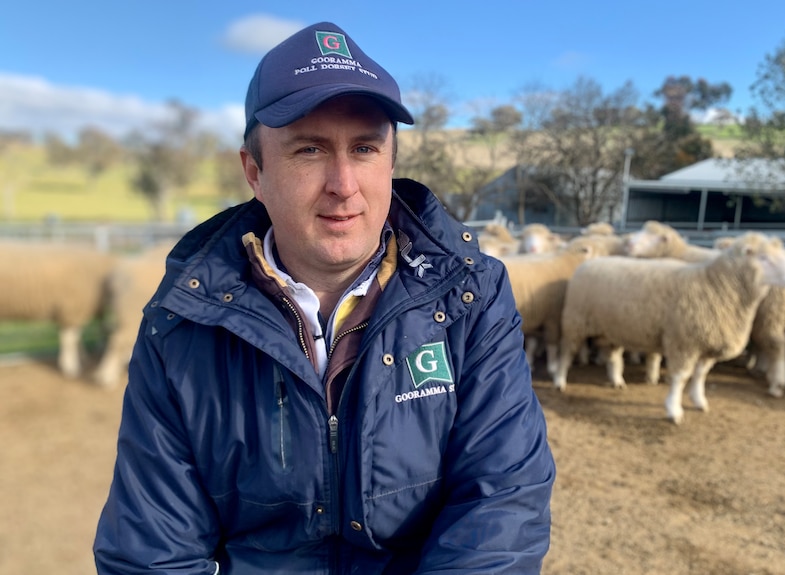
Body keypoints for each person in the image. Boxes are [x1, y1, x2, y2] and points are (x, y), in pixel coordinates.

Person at [93, 21, 555, 575]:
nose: (343, 183)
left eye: (364, 148)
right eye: (309, 150)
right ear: (255, 172)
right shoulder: (182, 325)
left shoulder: (469, 299)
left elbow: (502, 502)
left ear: (391, 164)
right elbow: (152, 552)